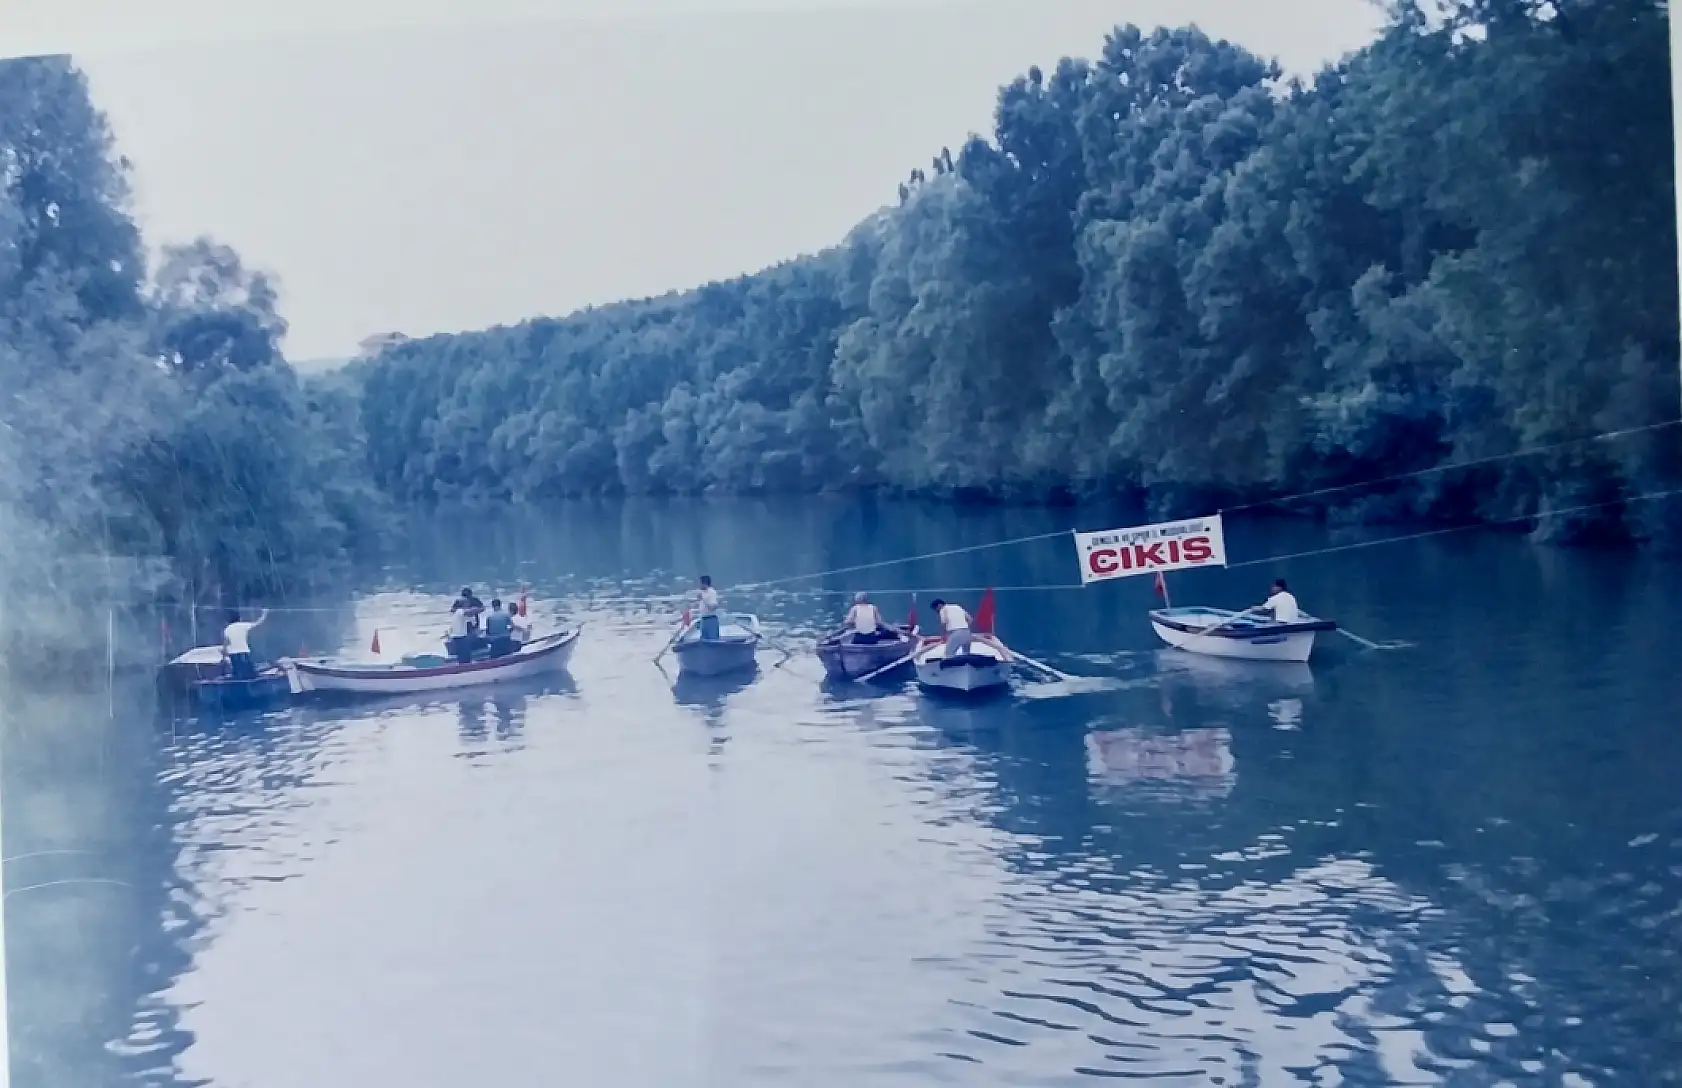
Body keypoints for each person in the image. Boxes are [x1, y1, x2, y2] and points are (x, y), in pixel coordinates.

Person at [222, 608, 269, 680]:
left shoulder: (227, 629)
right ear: (239, 618)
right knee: (249, 673)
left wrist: (224, 654)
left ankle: (238, 684)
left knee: (237, 673)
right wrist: (265, 613)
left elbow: (225, 644)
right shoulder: (243, 625)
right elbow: (258, 623)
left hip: (233, 654)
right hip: (244, 652)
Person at [695, 575, 721, 641]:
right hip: (703, 620)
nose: (699, 585)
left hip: (711, 619)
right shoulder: (702, 593)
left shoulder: (711, 592)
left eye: (700, 583)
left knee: (713, 640)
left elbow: (713, 607)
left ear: (704, 583)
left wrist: (703, 599)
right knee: (704, 640)